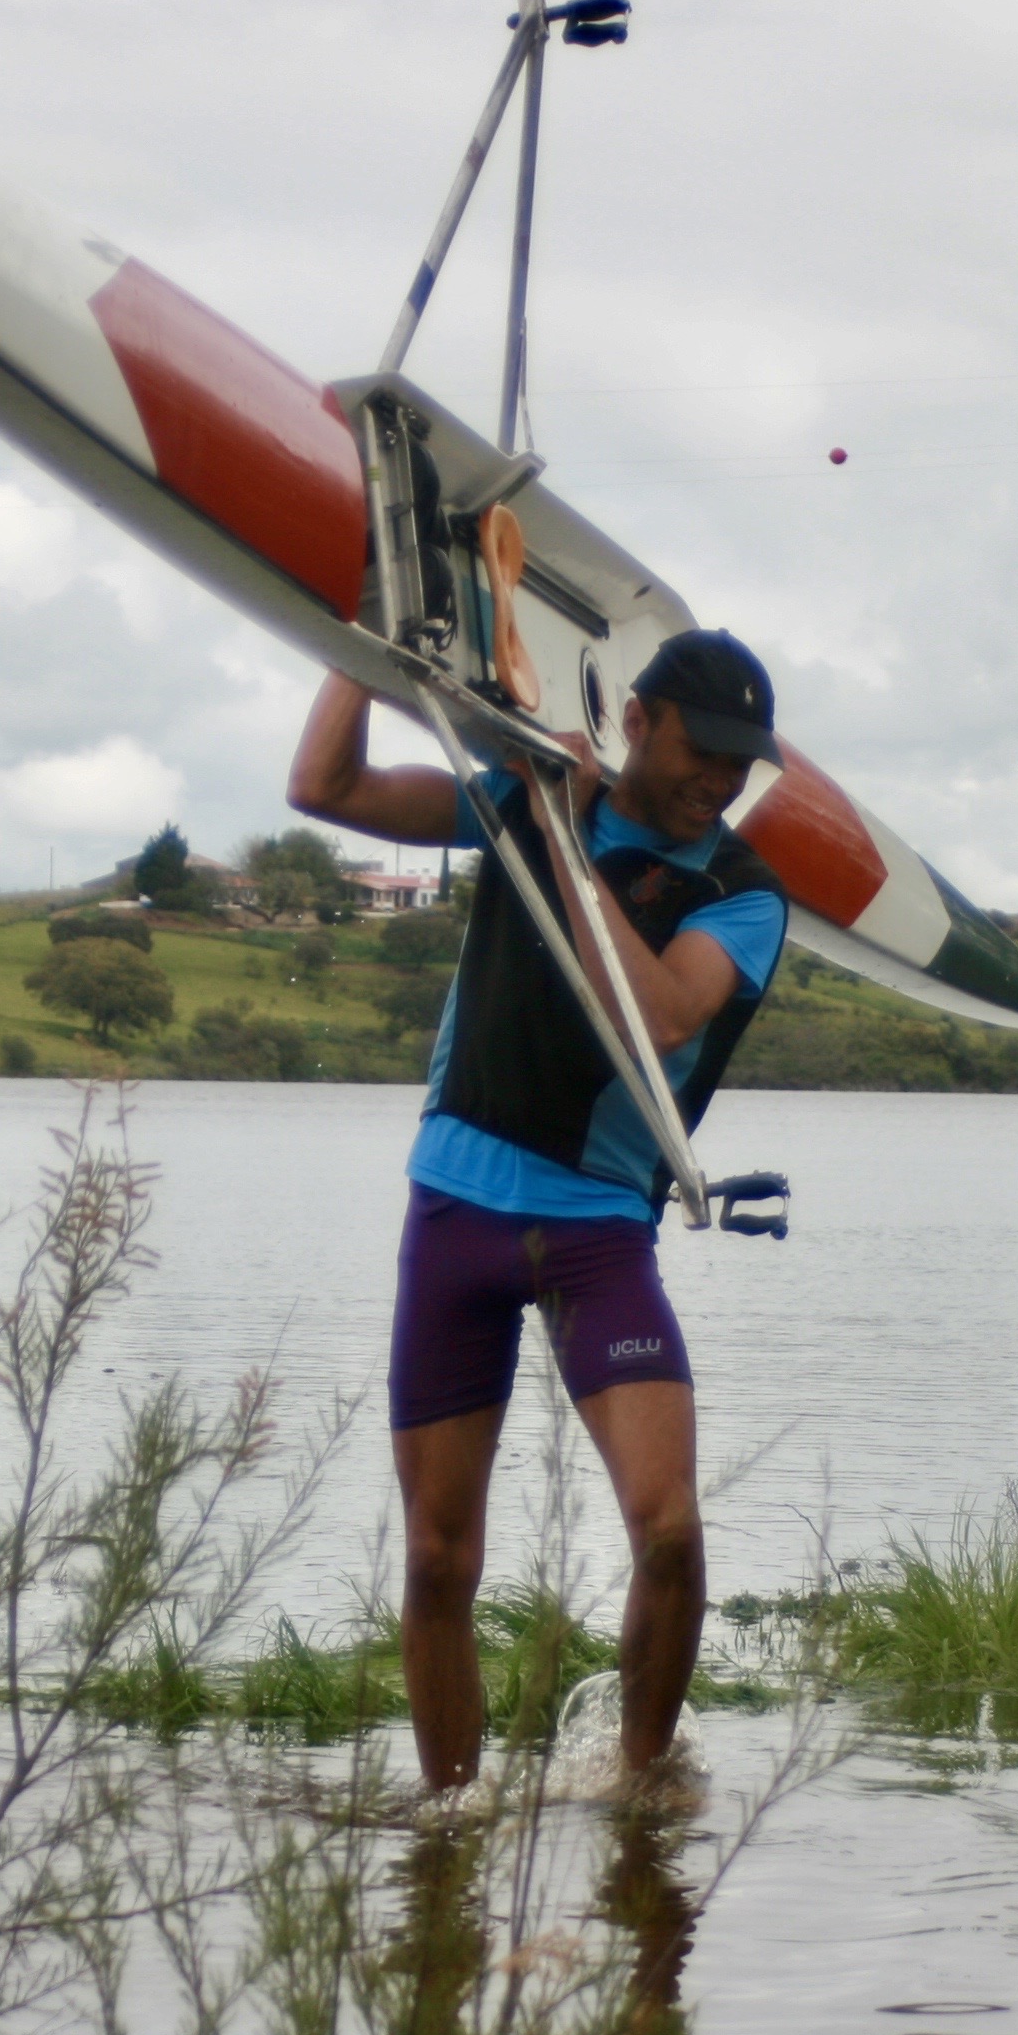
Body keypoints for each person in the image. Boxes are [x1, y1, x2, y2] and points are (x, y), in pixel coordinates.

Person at [286, 629, 790, 1798]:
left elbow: (661, 1014)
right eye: (705, 750)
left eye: (743, 762)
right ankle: (451, 1821)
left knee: (669, 1532)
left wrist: (560, 832)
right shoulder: (519, 799)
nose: (721, 780)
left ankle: (640, 1793)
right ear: (638, 720)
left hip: (597, 1232)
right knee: (437, 1555)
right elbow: (325, 788)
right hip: (456, 1209)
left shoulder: (741, 893)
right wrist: (361, 649)